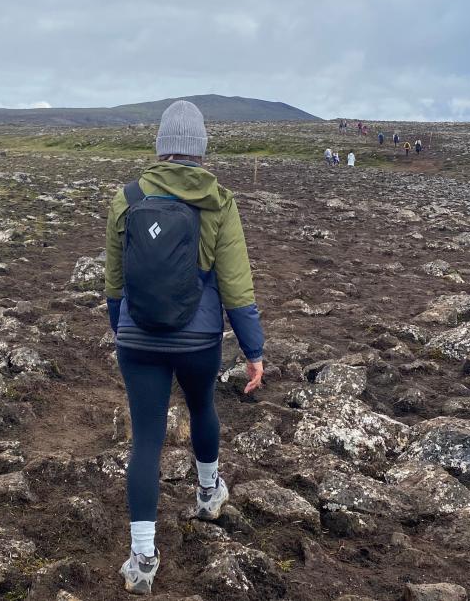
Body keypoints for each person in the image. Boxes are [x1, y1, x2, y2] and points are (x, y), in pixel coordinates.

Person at [105, 100, 265, 595]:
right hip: (198, 340)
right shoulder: (219, 200)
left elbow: (115, 282)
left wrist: (123, 331)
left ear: (160, 146)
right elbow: (236, 284)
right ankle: (206, 495)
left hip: (139, 338)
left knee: (146, 440)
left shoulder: (126, 197)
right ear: (200, 147)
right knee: (201, 409)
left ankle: (143, 558)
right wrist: (253, 348)